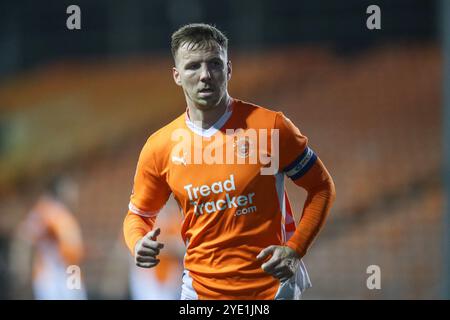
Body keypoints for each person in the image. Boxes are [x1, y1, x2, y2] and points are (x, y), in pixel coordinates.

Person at [123, 23, 336, 300]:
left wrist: (295, 248)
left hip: (272, 289)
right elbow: (139, 214)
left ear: (229, 69)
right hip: (199, 293)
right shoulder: (160, 146)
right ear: (176, 75)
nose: (205, 75)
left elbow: (321, 188)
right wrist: (137, 241)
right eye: (192, 67)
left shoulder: (270, 128)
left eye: (214, 64)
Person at [12, 175, 87, 300]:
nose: (74, 193)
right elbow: (24, 238)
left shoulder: (62, 213)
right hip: (52, 274)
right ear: (60, 190)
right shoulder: (46, 211)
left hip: (71, 270)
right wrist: (21, 266)